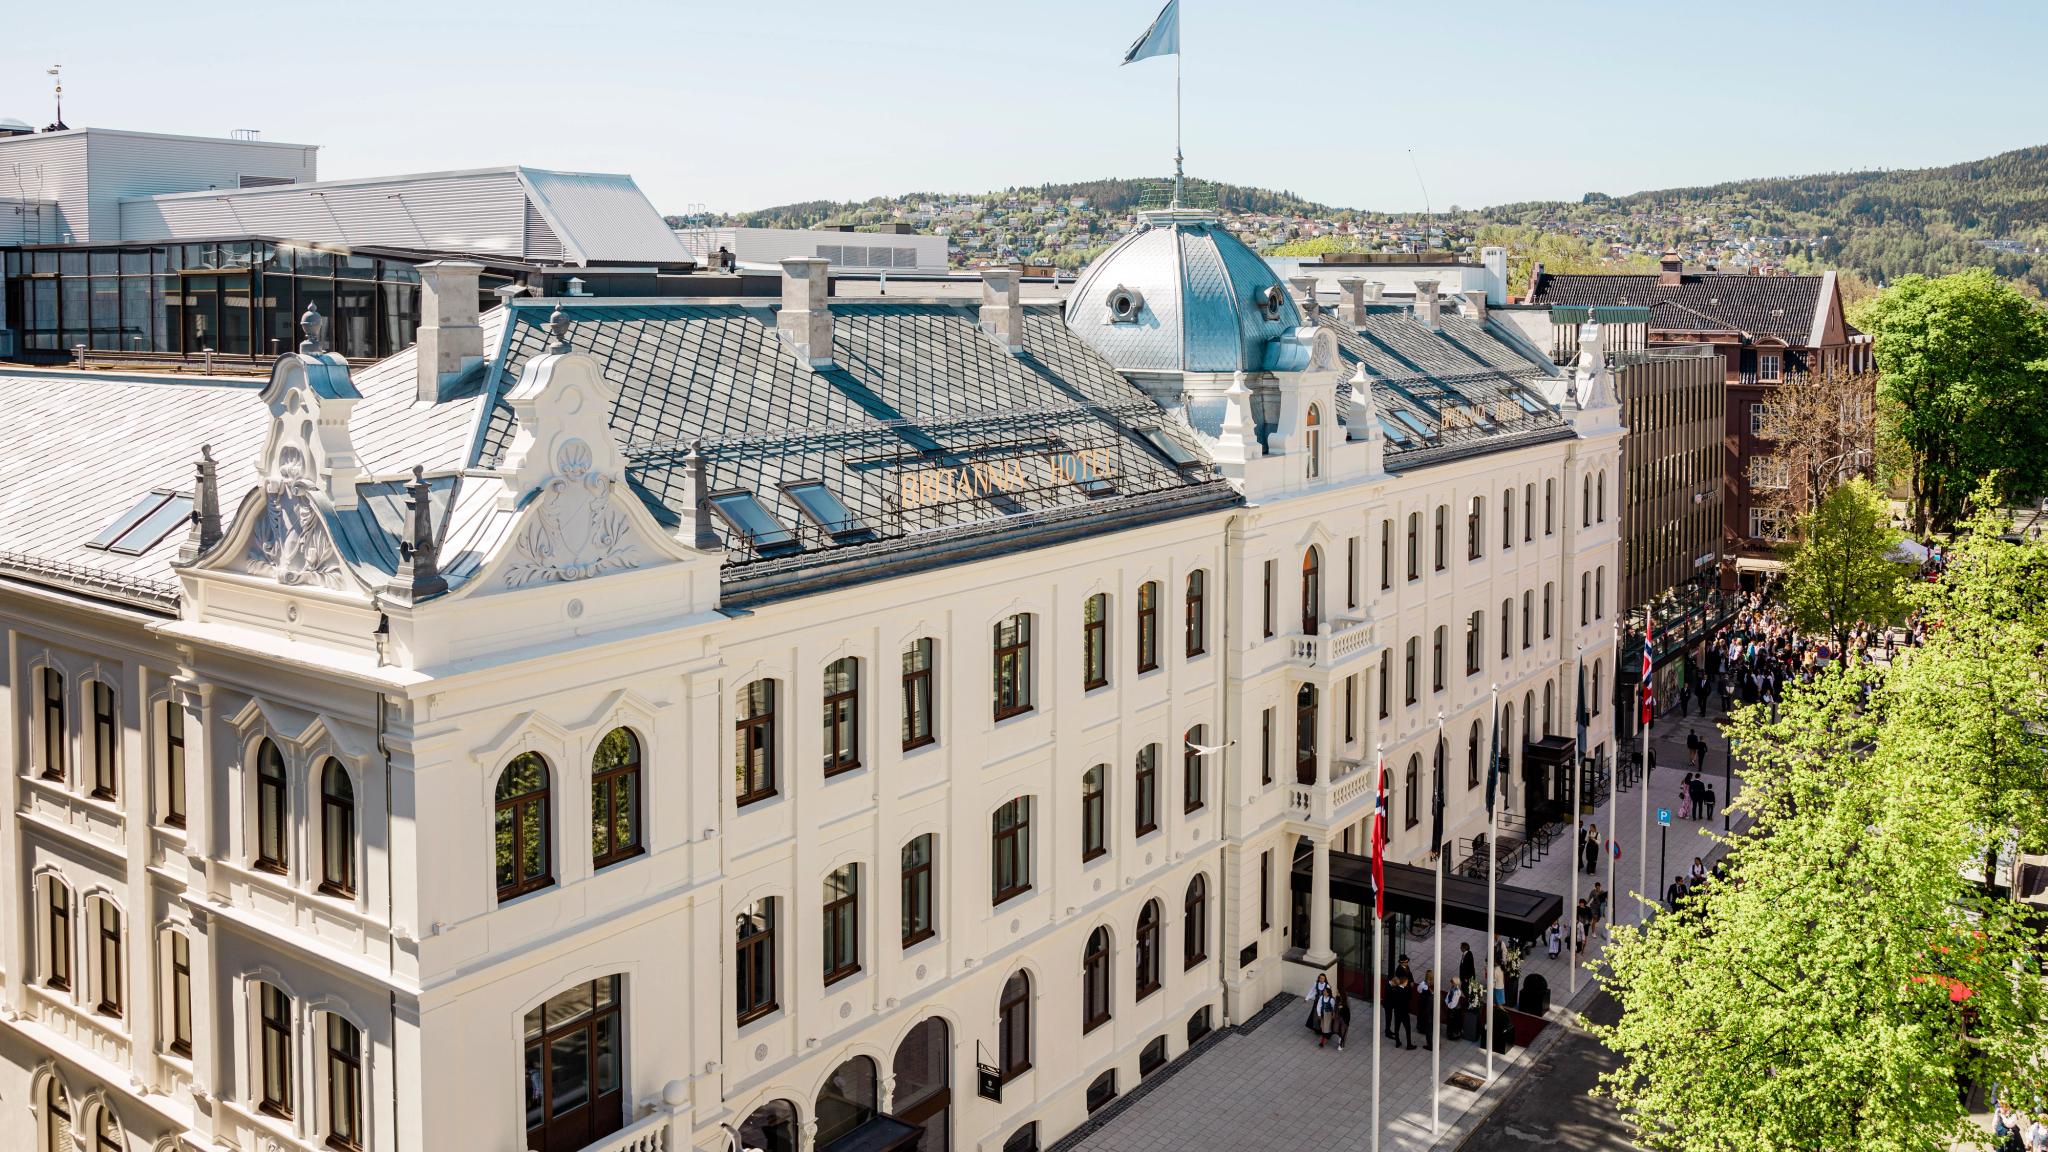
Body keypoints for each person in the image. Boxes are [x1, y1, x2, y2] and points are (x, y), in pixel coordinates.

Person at [1306, 973, 1335, 1042]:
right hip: (1317, 1002)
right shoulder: (1316, 984)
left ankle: (1324, 1030)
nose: (1321, 979)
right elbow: (1312, 991)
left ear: (1325, 979)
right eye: (1320, 978)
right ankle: (1317, 1029)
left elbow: (1329, 994)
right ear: (1319, 978)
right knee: (1316, 1016)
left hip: (1325, 1004)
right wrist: (1307, 998)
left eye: (1323, 978)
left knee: (1324, 1017)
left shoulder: (1327, 986)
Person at [1415, 969, 1434, 1051]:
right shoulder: (1433, 984)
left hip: (1424, 1004)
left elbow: (1418, 990)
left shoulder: (1423, 984)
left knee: (1423, 1016)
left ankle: (1422, 1028)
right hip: (1431, 1006)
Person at [1333, 987, 1351, 1051]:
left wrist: (1342, 1007)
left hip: (1344, 1018)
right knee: (1335, 1029)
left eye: (1338, 992)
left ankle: (1341, 1045)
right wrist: (1334, 1013)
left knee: (1344, 1032)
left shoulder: (1346, 1001)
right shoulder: (1337, 998)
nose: (1336, 993)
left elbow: (1348, 1011)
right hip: (1337, 1017)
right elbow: (1335, 1006)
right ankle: (1340, 1036)